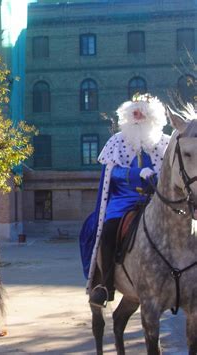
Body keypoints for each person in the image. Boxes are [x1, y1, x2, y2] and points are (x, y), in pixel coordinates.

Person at [86, 94, 170, 307]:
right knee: (109, 229)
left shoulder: (166, 143)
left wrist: (157, 179)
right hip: (125, 199)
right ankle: (106, 286)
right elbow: (111, 174)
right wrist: (136, 174)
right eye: (134, 113)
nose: (138, 117)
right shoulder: (117, 142)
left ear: (153, 117)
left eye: (142, 113)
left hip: (157, 199)